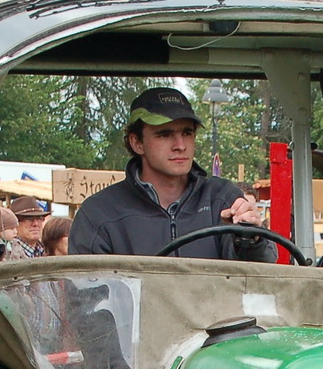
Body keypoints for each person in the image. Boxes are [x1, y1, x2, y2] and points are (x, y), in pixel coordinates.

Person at [70, 88, 271, 262]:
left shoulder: (222, 198)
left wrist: (252, 237)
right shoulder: (99, 213)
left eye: (187, 133)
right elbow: (87, 296)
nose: (180, 146)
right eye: (164, 134)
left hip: (216, 308)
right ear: (137, 143)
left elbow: (256, 276)